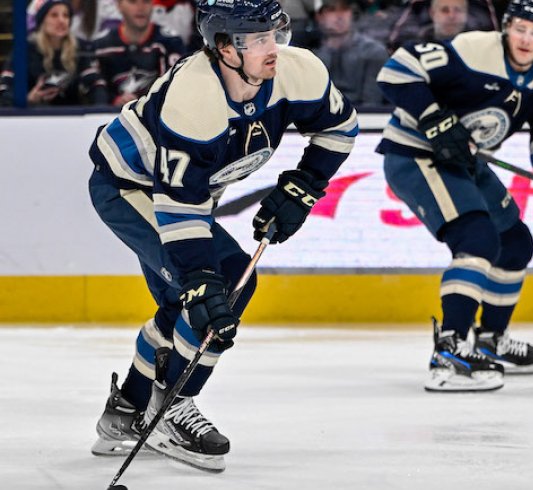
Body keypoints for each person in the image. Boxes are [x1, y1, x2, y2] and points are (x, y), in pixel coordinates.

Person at [88, 0, 357, 471]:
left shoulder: (300, 71)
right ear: (224, 49)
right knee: (224, 284)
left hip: (184, 193)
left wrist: (304, 187)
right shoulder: (194, 99)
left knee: (185, 304)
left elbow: (340, 128)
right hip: (131, 188)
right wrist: (198, 276)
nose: (271, 48)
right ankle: (171, 407)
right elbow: (179, 205)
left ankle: (126, 411)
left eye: (273, 34)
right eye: (255, 41)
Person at [376, 0, 533, 392]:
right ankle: (449, 351)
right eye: (521, 29)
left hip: (466, 162)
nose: (527, 39)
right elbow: (396, 69)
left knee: (515, 243)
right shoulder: (472, 49)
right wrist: (433, 118)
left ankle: (491, 340)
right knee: (476, 239)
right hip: (414, 155)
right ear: (507, 27)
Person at [0, 0, 108, 106]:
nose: (61, 20)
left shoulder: (80, 49)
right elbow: (4, 89)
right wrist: (28, 99)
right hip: (30, 117)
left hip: (71, 117)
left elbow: (96, 84)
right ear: (42, 21)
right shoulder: (24, 50)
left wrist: (99, 110)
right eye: (54, 15)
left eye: (66, 16)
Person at [93, 0, 185, 106]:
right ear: (119, 5)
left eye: (146, 1)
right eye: (133, 2)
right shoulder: (102, 46)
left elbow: (175, 89)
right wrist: (114, 100)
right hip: (111, 117)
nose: (140, 8)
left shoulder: (170, 42)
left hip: (155, 116)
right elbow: (95, 88)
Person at [312, 0, 388, 105]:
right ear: (320, 17)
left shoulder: (373, 52)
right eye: (332, 10)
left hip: (363, 116)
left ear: (351, 13)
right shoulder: (310, 55)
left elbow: (372, 103)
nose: (340, 16)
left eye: (345, 9)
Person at [388, 0, 469, 50]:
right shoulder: (415, 46)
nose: (451, 16)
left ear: (467, 13)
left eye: (458, 10)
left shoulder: (477, 44)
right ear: (432, 13)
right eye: (445, 10)